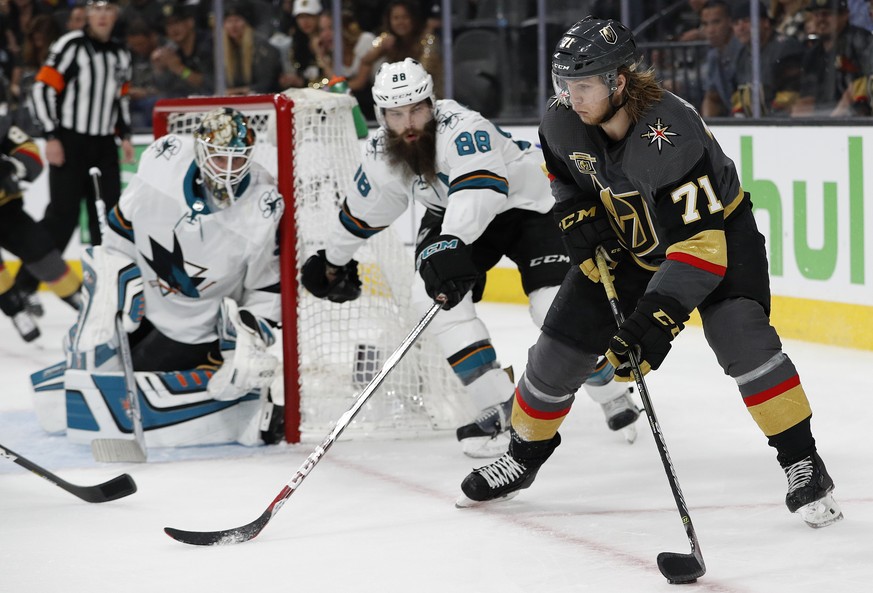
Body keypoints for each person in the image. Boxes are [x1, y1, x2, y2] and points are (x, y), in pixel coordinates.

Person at [457, 17, 843, 531]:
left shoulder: (670, 132)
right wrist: (577, 211)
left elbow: (701, 247)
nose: (571, 97)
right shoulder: (562, 118)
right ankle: (523, 457)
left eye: (584, 85)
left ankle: (803, 462)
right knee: (558, 349)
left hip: (717, 237)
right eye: (564, 84)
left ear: (618, 81)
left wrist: (656, 318)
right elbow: (561, 171)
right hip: (629, 237)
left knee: (741, 338)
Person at [300, 58, 640, 458]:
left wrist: (453, 242)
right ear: (381, 115)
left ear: (432, 102)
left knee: (552, 307)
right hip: (454, 218)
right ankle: (499, 405)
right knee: (429, 297)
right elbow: (364, 208)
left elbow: (480, 191)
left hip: (527, 206)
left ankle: (612, 392)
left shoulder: (463, 127)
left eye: (416, 109)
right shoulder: (381, 153)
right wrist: (332, 260)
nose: (408, 123)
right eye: (396, 114)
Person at [56, 107, 285, 446]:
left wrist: (249, 341)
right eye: (221, 159)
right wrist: (109, 290)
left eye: (238, 160)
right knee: (85, 359)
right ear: (201, 150)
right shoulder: (165, 162)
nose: (230, 171)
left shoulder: (261, 204)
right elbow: (120, 231)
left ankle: (254, 406)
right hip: (140, 310)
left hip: (195, 333)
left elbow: (266, 287)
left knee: (113, 387)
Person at [15, 0, 134, 317]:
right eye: (96, 8)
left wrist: (125, 136)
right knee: (61, 219)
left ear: (115, 15)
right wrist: (51, 135)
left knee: (108, 221)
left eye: (109, 9)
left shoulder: (121, 54)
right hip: (70, 142)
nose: (103, 15)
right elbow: (42, 89)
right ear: (87, 15)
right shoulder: (71, 45)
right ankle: (24, 287)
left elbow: (119, 98)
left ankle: (106, 291)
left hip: (103, 145)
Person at [0, 79, 81, 342]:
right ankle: (15, 310)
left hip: (8, 212)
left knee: (43, 252)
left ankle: (79, 300)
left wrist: (12, 168)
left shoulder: (2, 126)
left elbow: (31, 153)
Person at [792, 0, 873, 116]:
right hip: (823, 120)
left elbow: (863, 85)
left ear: (845, 15)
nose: (820, 19)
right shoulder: (812, 54)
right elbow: (807, 97)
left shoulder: (860, 41)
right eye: (816, 15)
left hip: (857, 121)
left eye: (827, 14)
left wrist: (834, 120)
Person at [730, 0, 805, 116]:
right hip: (756, 125)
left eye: (746, 21)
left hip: (783, 124)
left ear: (765, 22)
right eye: (736, 23)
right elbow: (739, 97)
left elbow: (791, 96)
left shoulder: (786, 48)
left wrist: (766, 123)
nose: (740, 28)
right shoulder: (741, 55)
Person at [151, 2, 214, 99]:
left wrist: (180, 69)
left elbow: (209, 85)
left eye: (177, 23)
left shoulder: (208, 44)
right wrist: (159, 69)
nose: (173, 29)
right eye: (168, 25)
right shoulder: (172, 50)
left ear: (190, 22)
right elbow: (163, 89)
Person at [221, 1, 282, 95]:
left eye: (237, 20)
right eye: (229, 21)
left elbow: (265, 84)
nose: (233, 26)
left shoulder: (261, 48)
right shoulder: (221, 50)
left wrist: (238, 91)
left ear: (246, 23)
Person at [699, 0, 744, 116]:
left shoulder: (745, 50)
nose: (710, 30)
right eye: (705, 24)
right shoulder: (713, 56)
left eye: (716, 22)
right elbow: (712, 97)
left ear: (730, 22)